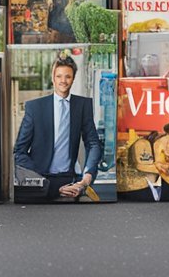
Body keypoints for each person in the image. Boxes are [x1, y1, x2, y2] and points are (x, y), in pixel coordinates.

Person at [13, 55, 102, 202]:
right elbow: (19, 152)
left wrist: (85, 180)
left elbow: (93, 144)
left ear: (73, 79)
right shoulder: (35, 107)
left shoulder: (82, 105)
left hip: (69, 179)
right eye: (59, 76)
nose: (63, 81)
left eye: (68, 76)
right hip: (41, 180)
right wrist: (39, 179)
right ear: (53, 78)